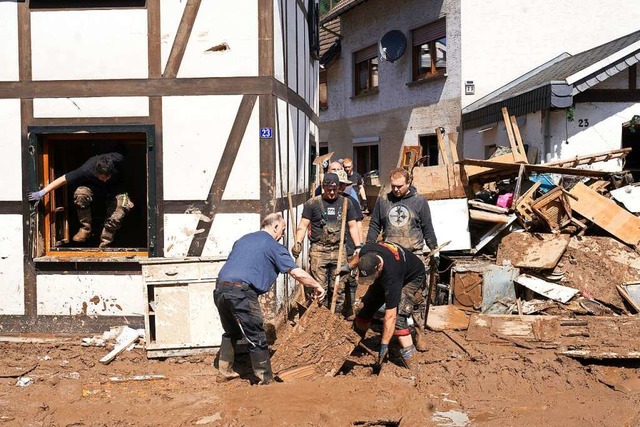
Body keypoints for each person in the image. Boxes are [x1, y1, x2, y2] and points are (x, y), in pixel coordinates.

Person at [213, 213, 325, 385]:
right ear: (275, 227)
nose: (282, 235)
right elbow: (295, 272)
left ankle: (224, 370)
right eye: (283, 230)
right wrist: (316, 285)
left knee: (232, 331)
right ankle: (265, 380)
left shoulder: (243, 239)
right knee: (256, 335)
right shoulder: (273, 246)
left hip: (220, 289)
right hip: (241, 292)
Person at [27, 149, 133, 248]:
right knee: (81, 194)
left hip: (116, 188)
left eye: (107, 177)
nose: (104, 180)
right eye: (102, 177)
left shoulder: (118, 159)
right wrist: (42, 192)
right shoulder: (86, 169)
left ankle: (105, 243)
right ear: (96, 172)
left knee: (119, 212)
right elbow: (63, 179)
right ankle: (85, 228)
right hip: (94, 187)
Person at [293, 173, 362, 314]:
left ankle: (335, 318)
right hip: (319, 250)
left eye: (334, 189)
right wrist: (298, 242)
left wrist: (358, 246)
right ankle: (319, 317)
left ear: (339, 188)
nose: (331, 192)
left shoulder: (345, 203)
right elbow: (303, 225)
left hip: (339, 249)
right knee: (319, 287)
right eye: (328, 189)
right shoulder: (312, 204)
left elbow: (353, 226)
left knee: (338, 286)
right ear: (323, 187)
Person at [352, 241, 426, 370]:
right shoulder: (366, 250)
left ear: (378, 266)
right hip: (386, 272)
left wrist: (384, 345)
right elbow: (358, 257)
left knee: (399, 318)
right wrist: (348, 266)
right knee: (365, 309)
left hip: (412, 276)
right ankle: (355, 343)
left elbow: (390, 316)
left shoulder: (392, 276)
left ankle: (413, 363)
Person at [366, 167, 438, 259]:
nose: (396, 189)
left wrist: (434, 249)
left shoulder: (419, 201)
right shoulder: (383, 201)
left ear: (408, 183)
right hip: (390, 253)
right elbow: (374, 226)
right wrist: (368, 247)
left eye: (399, 186)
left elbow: (427, 228)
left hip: (414, 254)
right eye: (393, 186)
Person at [336, 169, 364, 319]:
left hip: (349, 245)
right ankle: (336, 312)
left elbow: (358, 224)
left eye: (341, 186)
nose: (339, 189)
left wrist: (359, 246)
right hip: (334, 248)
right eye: (337, 185)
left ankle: (350, 308)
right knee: (338, 280)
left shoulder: (351, 201)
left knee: (351, 279)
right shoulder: (325, 201)